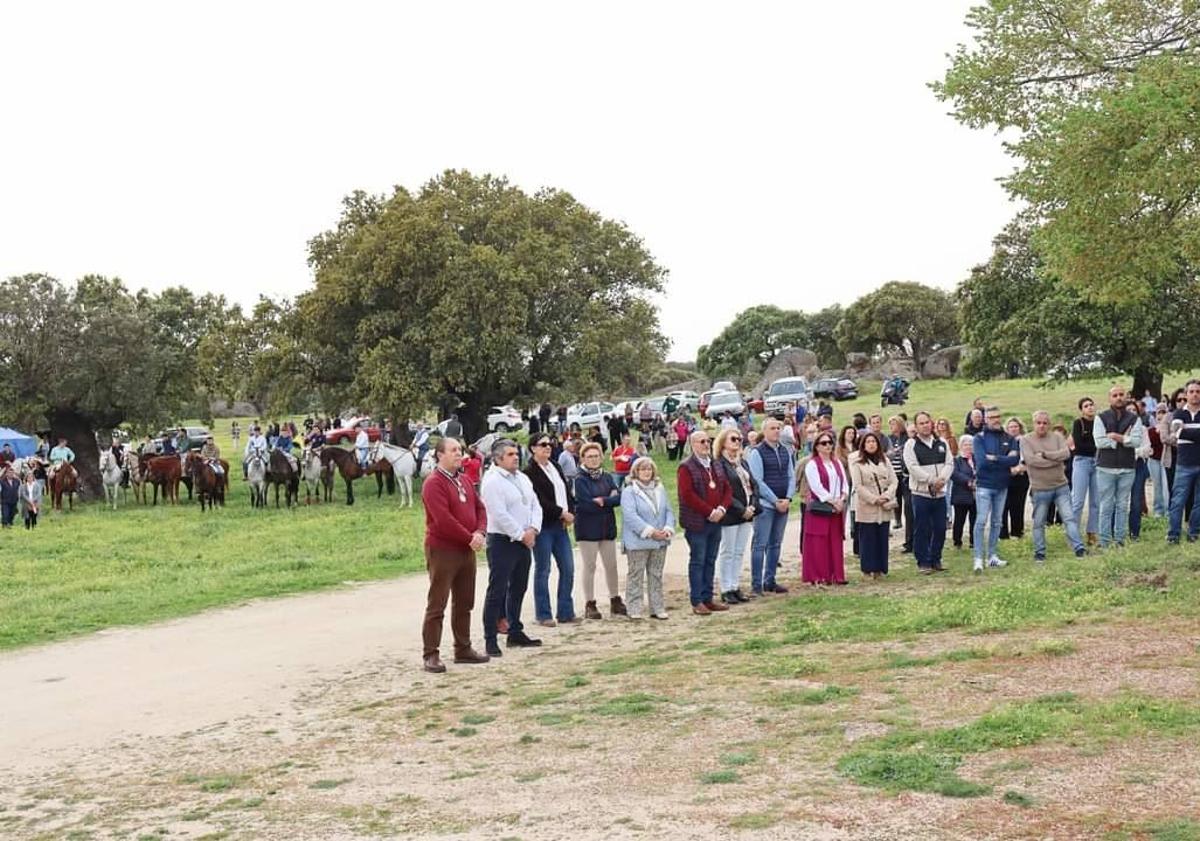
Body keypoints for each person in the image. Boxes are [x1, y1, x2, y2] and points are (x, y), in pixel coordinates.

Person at [420, 437, 491, 672]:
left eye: (460, 450)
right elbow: (443, 519)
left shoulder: (464, 480)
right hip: (443, 549)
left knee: (464, 601)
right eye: (453, 450)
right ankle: (431, 653)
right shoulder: (434, 483)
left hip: (466, 549)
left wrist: (480, 531)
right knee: (437, 602)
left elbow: (480, 507)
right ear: (440, 455)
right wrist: (469, 537)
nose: (458, 454)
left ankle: (463, 648)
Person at [480, 438, 542, 656]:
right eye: (510, 454)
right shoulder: (492, 481)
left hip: (525, 539)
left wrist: (533, 529)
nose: (515, 457)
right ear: (497, 459)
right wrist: (520, 534)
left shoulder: (523, 478)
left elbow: (534, 504)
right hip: (503, 541)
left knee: (519, 587)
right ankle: (490, 638)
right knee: (497, 590)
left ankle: (515, 630)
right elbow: (498, 513)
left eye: (516, 453)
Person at [525, 433, 580, 627]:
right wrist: (561, 513)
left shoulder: (555, 466)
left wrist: (570, 512)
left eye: (550, 444)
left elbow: (565, 491)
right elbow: (539, 500)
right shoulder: (529, 472)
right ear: (533, 448)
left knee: (568, 567)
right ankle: (543, 613)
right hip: (544, 526)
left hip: (560, 526)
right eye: (543, 444)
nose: (548, 447)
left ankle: (565, 611)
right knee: (543, 569)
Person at [678, 430, 732, 615]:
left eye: (708, 441)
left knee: (710, 560)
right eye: (701, 442)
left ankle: (708, 598)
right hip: (697, 522)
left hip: (716, 520)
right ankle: (697, 600)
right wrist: (709, 512)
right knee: (698, 560)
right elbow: (687, 495)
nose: (706, 444)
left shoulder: (715, 464)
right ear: (693, 444)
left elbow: (726, 489)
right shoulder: (686, 467)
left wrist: (722, 509)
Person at [1022, 411, 1087, 561]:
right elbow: (1031, 461)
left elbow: (1065, 454)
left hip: (1060, 486)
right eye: (1038, 423)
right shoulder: (1026, 440)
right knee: (1039, 522)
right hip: (1040, 488)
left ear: (1049, 424)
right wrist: (1054, 459)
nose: (1042, 426)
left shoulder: (1057, 437)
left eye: (1045, 423)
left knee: (1069, 518)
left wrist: (1045, 454)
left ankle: (1079, 548)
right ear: (1033, 423)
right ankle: (1040, 552)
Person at [573, 442, 625, 620]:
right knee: (590, 566)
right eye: (589, 456)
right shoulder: (579, 479)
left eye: (596, 456)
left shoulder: (608, 477)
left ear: (601, 457)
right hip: (587, 528)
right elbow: (585, 503)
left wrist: (603, 500)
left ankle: (615, 599)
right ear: (583, 459)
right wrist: (606, 500)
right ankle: (590, 603)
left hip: (606, 527)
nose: (593, 459)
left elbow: (618, 498)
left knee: (611, 565)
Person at [746, 418, 795, 595]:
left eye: (778, 428)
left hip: (784, 503)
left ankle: (770, 580)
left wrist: (788, 498)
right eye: (772, 428)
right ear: (764, 431)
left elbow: (791, 476)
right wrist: (775, 500)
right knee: (760, 544)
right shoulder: (757, 453)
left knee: (775, 544)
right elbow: (757, 480)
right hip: (766, 505)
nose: (776, 431)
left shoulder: (785, 451)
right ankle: (756, 584)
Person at [622, 457, 675, 620]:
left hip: (660, 540)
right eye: (642, 469)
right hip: (638, 541)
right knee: (636, 575)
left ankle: (657, 607)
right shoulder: (629, 491)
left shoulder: (660, 488)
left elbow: (668, 511)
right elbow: (630, 515)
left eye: (649, 469)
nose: (646, 472)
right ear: (635, 472)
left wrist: (667, 528)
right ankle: (634, 608)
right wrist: (650, 531)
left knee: (656, 574)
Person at [903, 412, 953, 574]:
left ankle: (936, 558)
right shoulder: (911, 444)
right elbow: (912, 467)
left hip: (940, 493)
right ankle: (923, 561)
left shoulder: (941, 442)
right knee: (922, 528)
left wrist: (942, 480)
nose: (925, 425)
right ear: (916, 426)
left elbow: (949, 463)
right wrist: (931, 480)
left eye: (927, 422)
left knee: (940, 527)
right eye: (921, 423)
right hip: (921, 494)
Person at [1094, 385, 1142, 549]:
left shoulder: (1134, 418)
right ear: (1110, 398)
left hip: (1127, 468)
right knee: (1106, 506)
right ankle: (1105, 541)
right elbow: (1099, 442)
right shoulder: (1101, 417)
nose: (1119, 397)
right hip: (1105, 468)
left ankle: (1120, 540)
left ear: (1126, 397)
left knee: (1122, 505)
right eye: (1115, 395)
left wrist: (1114, 436)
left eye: (1121, 394)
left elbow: (1136, 441)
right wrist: (1124, 439)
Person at [714, 427, 757, 604]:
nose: (737, 442)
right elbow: (725, 491)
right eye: (733, 439)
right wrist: (741, 509)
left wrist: (753, 505)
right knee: (728, 551)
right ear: (723, 441)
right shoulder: (718, 464)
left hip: (747, 513)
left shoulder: (742, 462)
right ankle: (726, 588)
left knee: (739, 551)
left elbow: (753, 485)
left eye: (739, 439)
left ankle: (735, 585)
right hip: (731, 513)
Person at [973, 407, 1018, 572]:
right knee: (981, 521)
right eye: (992, 417)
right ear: (985, 419)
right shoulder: (979, 438)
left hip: (1002, 485)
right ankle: (978, 558)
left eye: (998, 416)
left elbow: (1014, 460)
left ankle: (992, 555)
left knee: (997, 522)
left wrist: (995, 458)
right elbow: (982, 462)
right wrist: (1003, 460)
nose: (996, 419)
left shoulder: (1008, 437)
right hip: (984, 485)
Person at [802, 430, 848, 585]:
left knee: (835, 541)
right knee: (818, 542)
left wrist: (842, 498)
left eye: (830, 442)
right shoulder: (812, 464)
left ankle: (837, 574)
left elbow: (845, 483)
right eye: (824, 443)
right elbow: (816, 486)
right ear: (817, 446)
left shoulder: (837, 462)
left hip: (836, 508)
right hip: (820, 509)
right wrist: (832, 501)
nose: (828, 446)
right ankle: (819, 575)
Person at [849, 431, 897, 579]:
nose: (871, 444)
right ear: (863, 445)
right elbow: (858, 486)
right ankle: (867, 569)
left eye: (874, 442)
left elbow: (894, 481)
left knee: (882, 537)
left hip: (884, 503)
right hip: (867, 504)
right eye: (868, 442)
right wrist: (874, 499)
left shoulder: (885, 461)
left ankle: (880, 569)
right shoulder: (857, 463)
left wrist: (887, 495)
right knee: (868, 538)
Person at [1167, 379, 1200, 544]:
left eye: (1198, 391)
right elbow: (1177, 432)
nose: (1195, 394)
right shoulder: (1179, 413)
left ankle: (1193, 533)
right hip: (1184, 464)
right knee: (1177, 501)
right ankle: (1173, 535)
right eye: (1192, 391)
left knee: (1199, 502)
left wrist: (1186, 431)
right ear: (1186, 394)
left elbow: (1182, 433)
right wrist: (1186, 432)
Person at [1069, 397, 1100, 545]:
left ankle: (1092, 532)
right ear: (1081, 409)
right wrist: (1095, 446)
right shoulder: (1078, 423)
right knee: (1078, 500)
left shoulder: (1099, 423)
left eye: (1091, 405)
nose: (1090, 407)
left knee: (1096, 500)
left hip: (1097, 462)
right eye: (1086, 406)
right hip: (1082, 461)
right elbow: (1079, 445)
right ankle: (1073, 534)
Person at [1000, 417, 1029, 540]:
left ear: (1020, 428)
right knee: (1003, 505)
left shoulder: (1025, 441)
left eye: (1016, 426)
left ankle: (1017, 532)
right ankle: (1003, 534)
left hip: (1021, 477)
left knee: (1018, 506)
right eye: (1011, 426)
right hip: (1005, 477)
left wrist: (1018, 469)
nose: (1013, 429)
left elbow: (1028, 459)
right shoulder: (1002, 441)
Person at [951, 435, 977, 550]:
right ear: (961, 446)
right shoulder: (956, 460)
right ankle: (957, 541)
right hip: (961, 494)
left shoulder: (977, 459)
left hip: (976, 495)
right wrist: (969, 482)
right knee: (959, 520)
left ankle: (974, 541)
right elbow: (955, 474)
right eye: (966, 444)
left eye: (970, 444)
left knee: (975, 519)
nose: (968, 447)